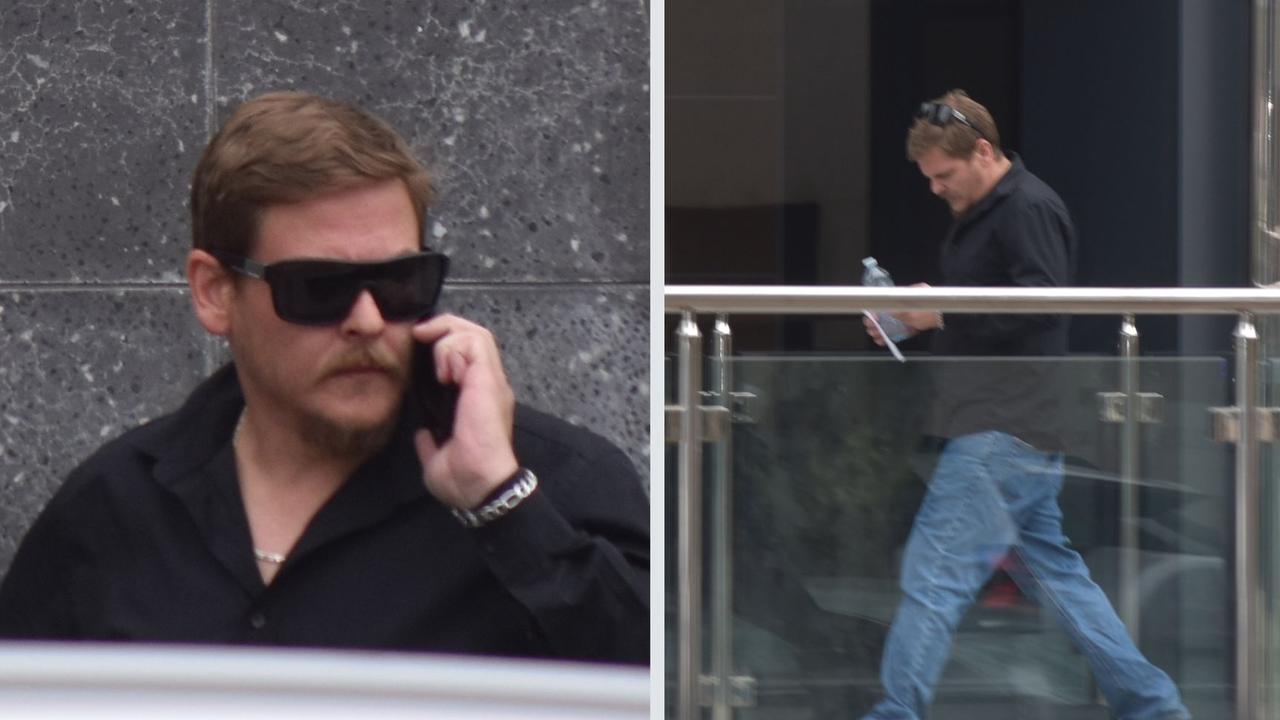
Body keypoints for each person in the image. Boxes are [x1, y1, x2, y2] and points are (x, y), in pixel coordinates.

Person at [0, 91, 648, 664]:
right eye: (319, 287)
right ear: (214, 292)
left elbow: (665, 682)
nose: (366, 320)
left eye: (399, 282)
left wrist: (501, 506)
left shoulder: (558, 488)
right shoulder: (111, 510)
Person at [861, 90, 1189, 719]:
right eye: (928, 178)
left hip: (1002, 429)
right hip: (1016, 428)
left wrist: (938, 310)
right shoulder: (994, 208)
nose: (935, 190)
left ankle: (895, 713)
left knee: (934, 576)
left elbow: (1041, 303)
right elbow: (998, 304)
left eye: (944, 176)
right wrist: (919, 316)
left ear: (984, 152)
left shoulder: (1028, 207)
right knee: (1060, 580)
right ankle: (1155, 707)